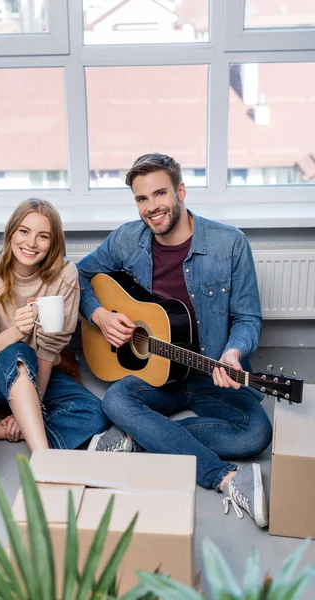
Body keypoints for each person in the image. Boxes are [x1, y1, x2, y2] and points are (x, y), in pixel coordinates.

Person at [77, 154, 273, 528]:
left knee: (256, 433)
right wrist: (99, 316)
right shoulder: (126, 239)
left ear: (180, 191)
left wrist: (233, 352)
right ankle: (226, 477)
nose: (151, 207)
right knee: (117, 398)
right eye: (141, 199)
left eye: (160, 193)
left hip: (210, 371)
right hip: (157, 373)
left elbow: (248, 318)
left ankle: (138, 438)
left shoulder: (229, 244)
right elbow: (79, 277)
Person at [0, 198, 109, 452]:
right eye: (24, 231)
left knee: (95, 415)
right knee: (19, 351)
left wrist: (32, 404)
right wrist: (17, 332)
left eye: (43, 236)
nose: (31, 243)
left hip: (38, 372)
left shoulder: (65, 274)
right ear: (11, 232)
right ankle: (42, 456)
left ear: (53, 243)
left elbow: (49, 350)